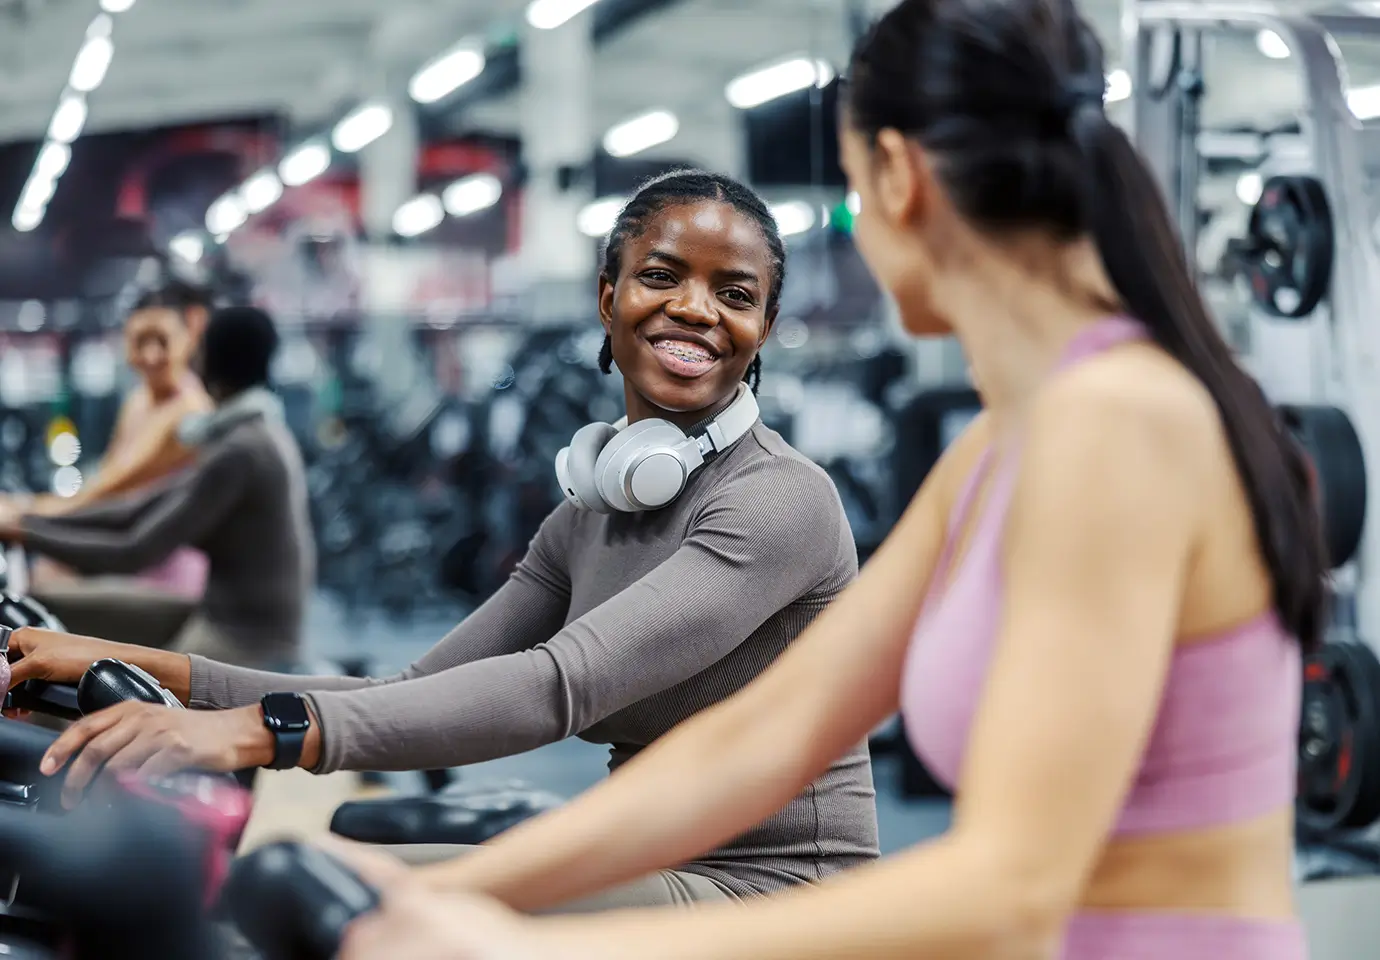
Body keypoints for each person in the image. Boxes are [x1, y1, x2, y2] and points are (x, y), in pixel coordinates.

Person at [327, 1, 1327, 957]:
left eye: (848, 188)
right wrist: (443, 895)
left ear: (896, 175)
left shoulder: (1117, 427)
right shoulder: (999, 451)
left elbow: (1012, 893)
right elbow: (767, 733)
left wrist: (526, 946)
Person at [9, 170, 879, 911]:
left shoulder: (777, 501)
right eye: (662, 276)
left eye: (735, 294)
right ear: (608, 294)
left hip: (766, 888)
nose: (696, 310)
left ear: (762, 328)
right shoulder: (589, 513)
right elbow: (414, 687)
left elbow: (558, 686)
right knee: (288, 888)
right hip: (640, 853)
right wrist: (103, 657)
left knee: (323, 908)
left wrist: (260, 731)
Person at [0, 306, 313, 671]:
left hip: (243, 636)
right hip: (220, 610)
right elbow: (134, 507)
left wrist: (25, 529)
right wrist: (28, 521)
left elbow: (135, 546)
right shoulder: (246, 433)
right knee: (47, 601)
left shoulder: (240, 448)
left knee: (121, 692)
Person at [12, 281, 215, 643]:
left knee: (33, 602)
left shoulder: (189, 413)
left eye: (162, 341)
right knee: (42, 575)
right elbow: (104, 486)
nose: (151, 355)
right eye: (141, 341)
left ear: (188, 339)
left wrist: (23, 514)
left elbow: (111, 488)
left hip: (165, 578)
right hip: (127, 557)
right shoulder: (138, 401)